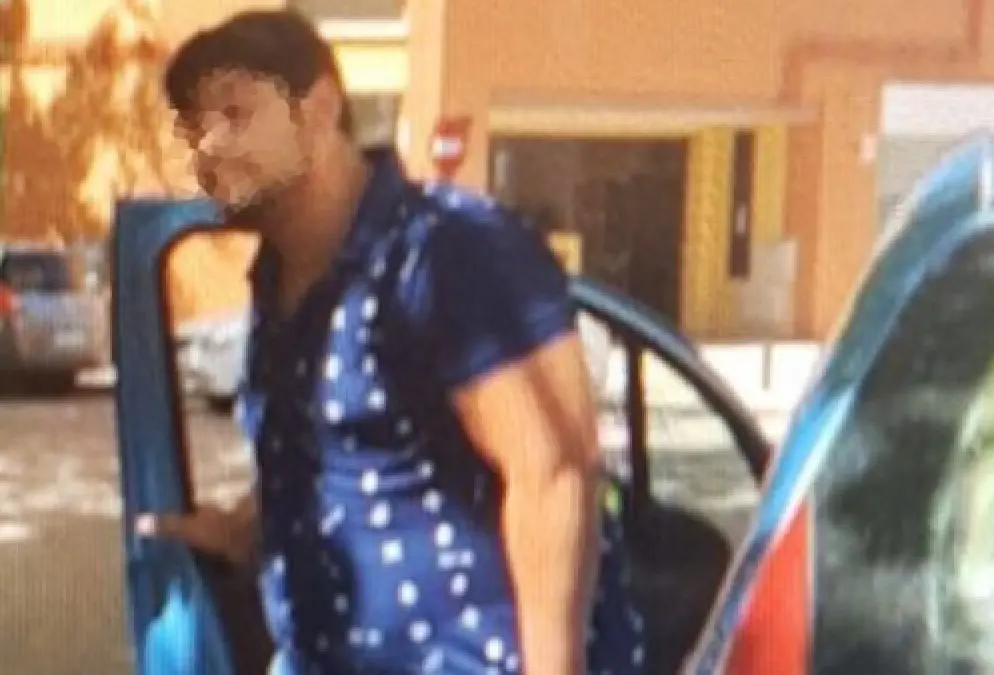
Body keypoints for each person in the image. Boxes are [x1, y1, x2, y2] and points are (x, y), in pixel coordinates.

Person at [135, 9, 644, 675]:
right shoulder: (278, 282)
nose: (209, 149)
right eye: (195, 129)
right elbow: (332, 459)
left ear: (320, 109)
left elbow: (554, 471)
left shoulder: (449, 249)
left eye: (234, 114)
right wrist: (239, 528)